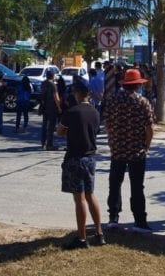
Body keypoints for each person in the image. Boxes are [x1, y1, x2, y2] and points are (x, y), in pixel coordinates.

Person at [104, 68, 155, 232]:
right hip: (137, 151)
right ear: (137, 85)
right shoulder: (143, 102)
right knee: (137, 186)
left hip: (118, 150)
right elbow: (149, 128)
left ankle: (113, 217)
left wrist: (113, 140)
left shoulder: (112, 101)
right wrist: (147, 146)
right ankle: (139, 221)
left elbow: (108, 124)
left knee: (114, 184)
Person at [57, 79, 105, 249]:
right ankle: (99, 233)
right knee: (91, 194)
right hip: (91, 157)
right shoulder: (95, 112)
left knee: (79, 199)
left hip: (75, 157)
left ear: (77, 93)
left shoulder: (72, 112)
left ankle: (82, 237)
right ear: (89, 94)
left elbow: (59, 131)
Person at [40, 67, 62, 150]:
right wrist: (59, 107)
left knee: (44, 125)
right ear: (52, 76)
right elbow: (56, 98)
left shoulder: (43, 84)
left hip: (45, 107)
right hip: (52, 108)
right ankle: (49, 144)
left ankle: (43, 143)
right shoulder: (53, 85)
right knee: (51, 127)